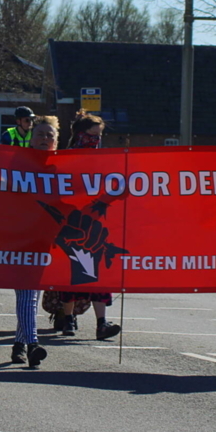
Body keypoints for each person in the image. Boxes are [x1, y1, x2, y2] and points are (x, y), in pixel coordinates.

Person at [54, 111, 121, 341]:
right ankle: (68, 318)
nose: (95, 141)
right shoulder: (66, 159)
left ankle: (101, 323)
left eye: (99, 137)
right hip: (71, 223)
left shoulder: (104, 160)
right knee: (71, 272)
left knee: (98, 275)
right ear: (81, 135)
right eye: (92, 136)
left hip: (97, 225)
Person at [10, 116, 58, 368]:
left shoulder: (62, 167)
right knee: (27, 293)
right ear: (31, 137)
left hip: (45, 240)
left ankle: (19, 344)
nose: (44, 139)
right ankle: (32, 344)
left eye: (50, 135)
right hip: (20, 238)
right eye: (40, 134)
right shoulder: (17, 163)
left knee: (31, 295)